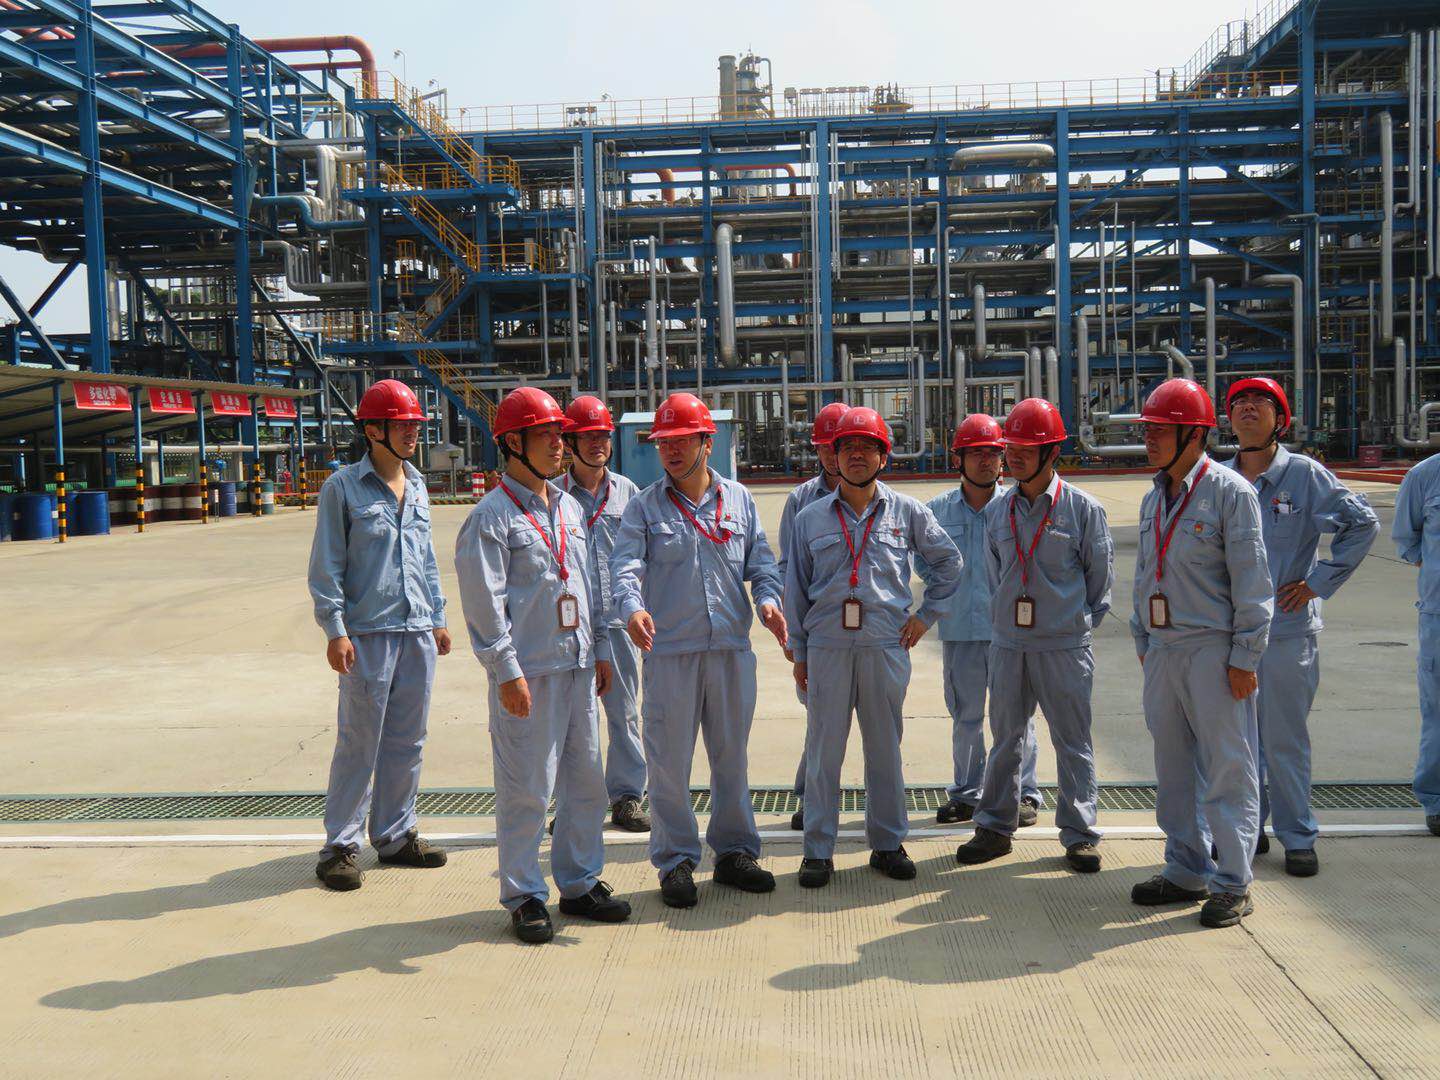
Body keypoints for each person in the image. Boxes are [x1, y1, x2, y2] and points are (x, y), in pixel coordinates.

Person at [455, 386, 632, 944]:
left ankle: (579, 883)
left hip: (578, 668)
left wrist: (599, 649)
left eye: (560, 435)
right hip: (529, 674)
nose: (559, 444)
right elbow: (484, 604)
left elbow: (590, 585)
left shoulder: (569, 508)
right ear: (512, 443)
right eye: (546, 435)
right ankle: (525, 895)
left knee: (586, 785)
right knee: (528, 790)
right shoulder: (491, 518)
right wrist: (505, 671)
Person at [610, 392, 788, 908]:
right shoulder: (644, 507)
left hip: (730, 650)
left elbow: (762, 563)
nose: (670, 450)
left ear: (707, 443)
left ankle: (734, 853)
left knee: (731, 759)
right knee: (668, 764)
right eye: (664, 442)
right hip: (671, 654)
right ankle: (676, 862)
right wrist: (631, 610)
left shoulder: (740, 499)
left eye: (681, 440)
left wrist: (769, 601)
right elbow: (624, 569)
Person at [785, 407, 962, 887]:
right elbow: (796, 588)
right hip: (827, 647)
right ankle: (817, 850)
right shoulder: (809, 518)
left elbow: (949, 563)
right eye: (848, 447)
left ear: (884, 456)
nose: (857, 455)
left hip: (885, 645)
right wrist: (800, 652)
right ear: (834, 457)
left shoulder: (908, 512)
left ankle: (887, 843)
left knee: (884, 750)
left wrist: (925, 617)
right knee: (823, 752)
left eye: (867, 447)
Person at [1128, 378, 1273, 929]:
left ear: (1194, 434)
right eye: (1148, 430)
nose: (1149, 439)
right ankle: (1186, 868)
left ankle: (1233, 880)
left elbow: (1252, 582)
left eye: (1160, 430)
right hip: (1164, 651)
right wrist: (1145, 641)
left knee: (1228, 767)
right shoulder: (1153, 496)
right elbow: (1145, 575)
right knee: (1173, 768)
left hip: (1214, 651)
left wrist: (1245, 657)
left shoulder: (1231, 493)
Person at [1224, 378, 1378, 875]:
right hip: (1233, 633)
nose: (1248, 408)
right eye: (1239, 403)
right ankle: (1248, 829)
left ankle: (1297, 835)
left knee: (1284, 740)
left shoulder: (1306, 476)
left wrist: (1317, 583)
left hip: (1287, 633)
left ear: (1280, 419)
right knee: (1237, 740)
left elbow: (1362, 524)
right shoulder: (1220, 479)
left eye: (1260, 402)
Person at [955, 398, 1112, 874]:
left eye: (1027, 448)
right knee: (1006, 738)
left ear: (1052, 452)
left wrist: (1067, 622)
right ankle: (994, 827)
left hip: (1063, 644)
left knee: (1072, 740)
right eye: (1012, 447)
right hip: (1008, 643)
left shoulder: (1083, 509)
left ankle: (1080, 833)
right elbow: (998, 574)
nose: (1015, 456)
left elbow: (1098, 584)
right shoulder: (998, 511)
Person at [307, 379, 450, 892]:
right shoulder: (342, 488)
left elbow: (426, 560)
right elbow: (327, 565)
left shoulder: (419, 485)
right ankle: (340, 847)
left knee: (408, 741)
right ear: (372, 430)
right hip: (367, 634)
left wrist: (437, 616)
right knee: (359, 743)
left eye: (415, 425)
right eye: (403, 425)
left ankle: (393, 834)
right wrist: (335, 630)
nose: (413, 433)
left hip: (416, 632)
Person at [922, 414, 1042, 828]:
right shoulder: (936, 510)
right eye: (976, 454)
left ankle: (1022, 793)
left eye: (993, 453)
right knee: (966, 717)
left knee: (1016, 717)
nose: (986, 461)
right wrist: (943, 590)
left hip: (1009, 632)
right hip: (960, 631)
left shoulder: (1016, 506)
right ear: (959, 458)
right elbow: (922, 558)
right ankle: (968, 794)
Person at [559, 395, 649, 833]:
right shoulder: (555, 495)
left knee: (624, 713)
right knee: (574, 720)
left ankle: (627, 797)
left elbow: (641, 556)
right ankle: (574, 803)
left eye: (603, 436)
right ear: (570, 443)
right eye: (588, 436)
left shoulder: (628, 493)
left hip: (617, 624)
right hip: (570, 627)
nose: (597, 444)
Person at [777, 401, 850, 830]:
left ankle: (881, 807)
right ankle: (811, 798)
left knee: (879, 730)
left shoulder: (879, 495)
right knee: (820, 721)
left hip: (869, 635)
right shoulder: (801, 501)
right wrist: (793, 635)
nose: (831, 455)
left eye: (837, 445)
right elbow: (787, 570)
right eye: (824, 447)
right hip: (819, 632)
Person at [1392, 450, 1440, 838]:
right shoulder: (1425, 476)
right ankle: (1437, 800)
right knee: (1438, 711)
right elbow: (1407, 539)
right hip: (1439, 614)